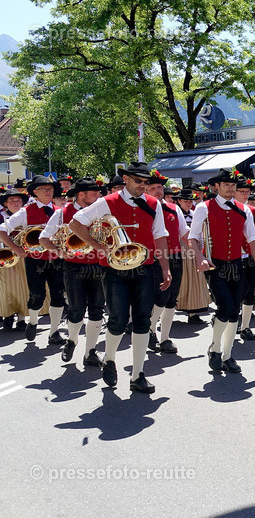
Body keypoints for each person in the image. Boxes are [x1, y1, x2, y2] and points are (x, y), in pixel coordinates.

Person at [69, 163, 173, 394]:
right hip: (115, 270)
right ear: (125, 179)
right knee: (117, 319)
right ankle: (109, 358)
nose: (142, 186)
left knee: (142, 320)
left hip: (144, 267)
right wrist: (98, 246)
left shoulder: (154, 204)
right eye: (138, 181)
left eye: (146, 182)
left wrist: (165, 267)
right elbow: (76, 223)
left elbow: (160, 236)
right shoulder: (108, 202)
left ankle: (138, 374)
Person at [188, 168, 255, 374]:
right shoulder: (203, 208)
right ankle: (215, 348)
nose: (231, 188)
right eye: (227, 185)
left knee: (234, 312)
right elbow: (192, 238)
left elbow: (253, 239)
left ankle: (228, 355)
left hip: (238, 264)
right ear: (217, 186)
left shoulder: (245, 210)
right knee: (225, 308)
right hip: (216, 266)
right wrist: (200, 257)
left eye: (234, 185)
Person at [39, 177, 106, 368]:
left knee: (97, 309)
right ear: (81, 194)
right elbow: (44, 239)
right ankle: (72, 340)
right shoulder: (61, 214)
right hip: (73, 266)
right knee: (76, 309)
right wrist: (59, 252)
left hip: (99, 265)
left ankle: (90, 352)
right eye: (94, 193)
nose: (98, 196)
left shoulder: (102, 211)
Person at [0, 175, 67, 346]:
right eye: (44, 189)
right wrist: (16, 249)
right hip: (35, 260)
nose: (48, 191)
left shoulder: (59, 211)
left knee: (58, 296)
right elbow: (2, 230)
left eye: (51, 189)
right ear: (35, 192)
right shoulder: (25, 211)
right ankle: (33, 322)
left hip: (56, 258)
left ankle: (54, 332)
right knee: (37, 296)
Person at [143, 175, 188, 354]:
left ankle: (165, 338)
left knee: (171, 300)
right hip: (153, 259)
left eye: (160, 188)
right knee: (159, 298)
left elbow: (184, 232)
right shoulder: (143, 208)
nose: (158, 191)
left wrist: (200, 253)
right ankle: (151, 330)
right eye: (153, 188)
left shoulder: (173, 208)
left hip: (175, 257)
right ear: (145, 190)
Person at [174, 188, 210, 325]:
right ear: (179, 201)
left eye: (190, 201)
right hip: (180, 249)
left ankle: (193, 312)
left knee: (195, 279)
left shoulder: (195, 213)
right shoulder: (176, 214)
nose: (189, 204)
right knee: (182, 279)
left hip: (194, 248)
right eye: (186, 201)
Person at [233, 178, 255, 342]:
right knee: (235, 292)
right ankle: (232, 320)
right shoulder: (228, 209)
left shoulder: (253, 211)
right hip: (233, 256)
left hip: (249, 255)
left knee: (249, 292)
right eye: (241, 191)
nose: (245, 194)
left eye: (247, 192)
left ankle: (245, 327)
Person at [0, 190, 29, 331]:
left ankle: (22, 318)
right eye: (12, 201)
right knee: (6, 288)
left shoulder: (26, 215)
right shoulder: (1, 217)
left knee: (23, 287)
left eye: (18, 200)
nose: (16, 203)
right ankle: (8, 314)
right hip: (5, 256)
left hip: (23, 256)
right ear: (5, 204)